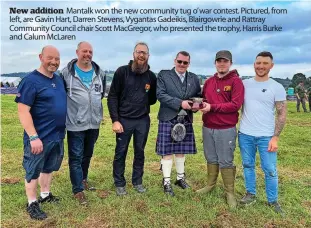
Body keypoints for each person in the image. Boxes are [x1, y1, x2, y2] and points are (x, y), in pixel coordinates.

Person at [15, 45, 66, 220]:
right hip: (39, 137)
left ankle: (45, 194)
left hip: (57, 135)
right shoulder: (30, 80)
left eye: (57, 59)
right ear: (40, 57)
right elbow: (23, 111)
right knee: (33, 169)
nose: (54, 62)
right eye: (50, 58)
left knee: (49, 167)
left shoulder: (58, 80)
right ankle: (32, 203)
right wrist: (33, 136)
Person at [238, 51, 287, 215]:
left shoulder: (277, 87)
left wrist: (275, 137)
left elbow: (282, 113)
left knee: (270, 169)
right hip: (245, 134)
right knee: (248, 165)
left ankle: (273, 201)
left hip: (266, 136)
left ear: (271, 66)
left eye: (265, 63)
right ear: (254, 64)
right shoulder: (244, 84)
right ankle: (250, 194)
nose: (261, 66)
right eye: (258, 63)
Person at [107, 42, 157, 196]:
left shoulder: (151, 76)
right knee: (121, 151)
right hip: (123, 120)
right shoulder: (122, 72)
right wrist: (115, 120)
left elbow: (153, 99)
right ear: (133, 54)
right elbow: (112, 96)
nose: (141, 55)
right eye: (139, 52)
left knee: (140, 152)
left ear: (148, 56)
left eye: (144, 53)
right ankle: (119, 183)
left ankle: (137, 181)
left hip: (142, 120)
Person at [196, 50, 244, 208]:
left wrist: (212, 107)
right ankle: (210, 185)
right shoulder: (209, 81)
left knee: (226, 160)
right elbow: (203, 100)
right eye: (219, 61)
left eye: (225, 61)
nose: (222, 64)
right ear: (215, 63)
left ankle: (229, 192)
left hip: (226, 128)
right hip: (208, 127)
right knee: (211, 157)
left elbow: (235, 105)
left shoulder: (236, 82)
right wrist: (198, 104)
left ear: (230, 63)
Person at [61, 41, 106, 205]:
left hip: (93, 123)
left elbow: (99, 96)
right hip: (75, 124)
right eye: (84, 51)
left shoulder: (99, 72)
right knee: (75, 157)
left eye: (90, 52)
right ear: (77, 52)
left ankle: (84, 180)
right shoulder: (66, 73)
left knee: (87, 155)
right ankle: (77, 190)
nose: (87, 54)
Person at [156, 51, 201, 196]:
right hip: (168, 117)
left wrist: (196, 105)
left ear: (189, 63)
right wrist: (179, 103)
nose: (182, 64)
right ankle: (167, 181)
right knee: (167, 152)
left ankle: (180, 178)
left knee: (181, 151)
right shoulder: (164, 75)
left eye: (185, 62)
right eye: (179, 61)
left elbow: (198, 96)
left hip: (185, 118)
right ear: (175, 60)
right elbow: (160, 95)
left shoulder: (194, 78)